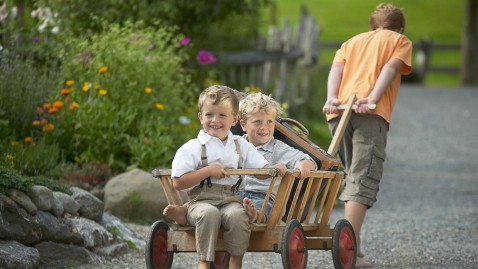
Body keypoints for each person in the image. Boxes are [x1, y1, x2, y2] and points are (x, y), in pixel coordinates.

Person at [322, 3, 412, 268]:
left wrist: (331, 98)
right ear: (400, 27)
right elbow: (391, 69)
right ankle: (348, 248)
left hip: (338, 113)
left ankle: (353, 246)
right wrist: (372, 97)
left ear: (373, 26)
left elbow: (335, 70)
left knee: (353, 174)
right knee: (364, 177)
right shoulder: (400, 40)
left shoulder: (351, 42)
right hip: (370, 113)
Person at [168, 85, 281, 269]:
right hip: (201, 200)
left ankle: (235, 263)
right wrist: (209, 171)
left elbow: (261, 170)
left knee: (238, 215)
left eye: (222, 115)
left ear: (235, 119)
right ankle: (204, 262)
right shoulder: (193, 147)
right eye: (209, 115)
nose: (215, 120)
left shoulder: (239, 145)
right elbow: (178, 182)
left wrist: (272, 168)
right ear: (200, 117)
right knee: (209, 213)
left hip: (230, 199)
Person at [237, 92, 316, 220]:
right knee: (223, 203)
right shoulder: (236, 145)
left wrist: (304, 163)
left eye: (269, 122)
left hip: (264, 197)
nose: (264, 127)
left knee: (261, 206)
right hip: (236, 195)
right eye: (257, 122)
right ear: (243, 125)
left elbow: (305, 159)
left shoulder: (278, 148)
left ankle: (254, 215)